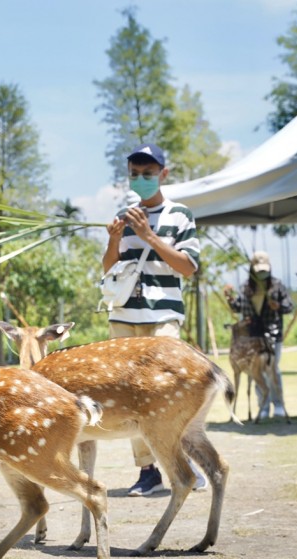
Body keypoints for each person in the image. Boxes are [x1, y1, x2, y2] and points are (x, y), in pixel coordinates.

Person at [102, 142, 204, 496]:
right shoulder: (124, 214)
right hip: (125, 315)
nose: (141, 180)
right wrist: (114, 241)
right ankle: (147, 471)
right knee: (129, 395)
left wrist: (149, 236)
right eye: (134, 174)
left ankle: (184, 459)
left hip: (162, 316)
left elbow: (188, 267)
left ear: (163, 173)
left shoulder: (180, 215)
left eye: (148, 174)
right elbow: (109, 270)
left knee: (170, 392)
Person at [224, 251, 295, 418]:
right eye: (259, 270)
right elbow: (237, 307)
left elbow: (289, 306)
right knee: (257, 372)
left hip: (272, 335)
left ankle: (278, 405)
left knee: (273, 369)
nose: (262, 273)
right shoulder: (245, 288)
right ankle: (263, 406)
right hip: (252, 337)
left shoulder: (277, 286)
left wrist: (278, 306)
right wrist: (229, 298)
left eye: (265, 269)